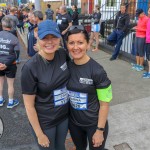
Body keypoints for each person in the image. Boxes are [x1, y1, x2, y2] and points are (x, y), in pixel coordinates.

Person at [21, 20, 70, 150]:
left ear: (59, 37)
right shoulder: (30, 68)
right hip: (45, 122)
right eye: (45, 38)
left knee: (61, 147)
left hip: (63, 116)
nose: (50, 42)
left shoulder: (62, 54)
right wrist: (39, 134)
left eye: (53, 37)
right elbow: (29, 105)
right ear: (38, 37)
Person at [66, 25, 112, 150]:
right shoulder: (66, 67)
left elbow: (104, 104)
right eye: (71, 43)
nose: (75, 47)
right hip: (74, 124)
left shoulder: (97, 71)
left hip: (94, 125)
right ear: (67, 45)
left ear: (87, 44)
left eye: (80, 42)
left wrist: (100, 130)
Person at [0, 17, 20, 108]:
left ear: (2, 25)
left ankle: (0, 100)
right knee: (10, 84)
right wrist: (6, 64)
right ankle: (11, 102)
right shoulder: (14, 38)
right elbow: (16, 54)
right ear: (11, 26)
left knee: (0, 83)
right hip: (10, 64)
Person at [142, 7, 150, 78]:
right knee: (148, 56)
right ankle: (149, 71)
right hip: (147, 40)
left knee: (149, 57)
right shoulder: (149, 20)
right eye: (148, 10)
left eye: (149, 11)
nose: (148, 12)